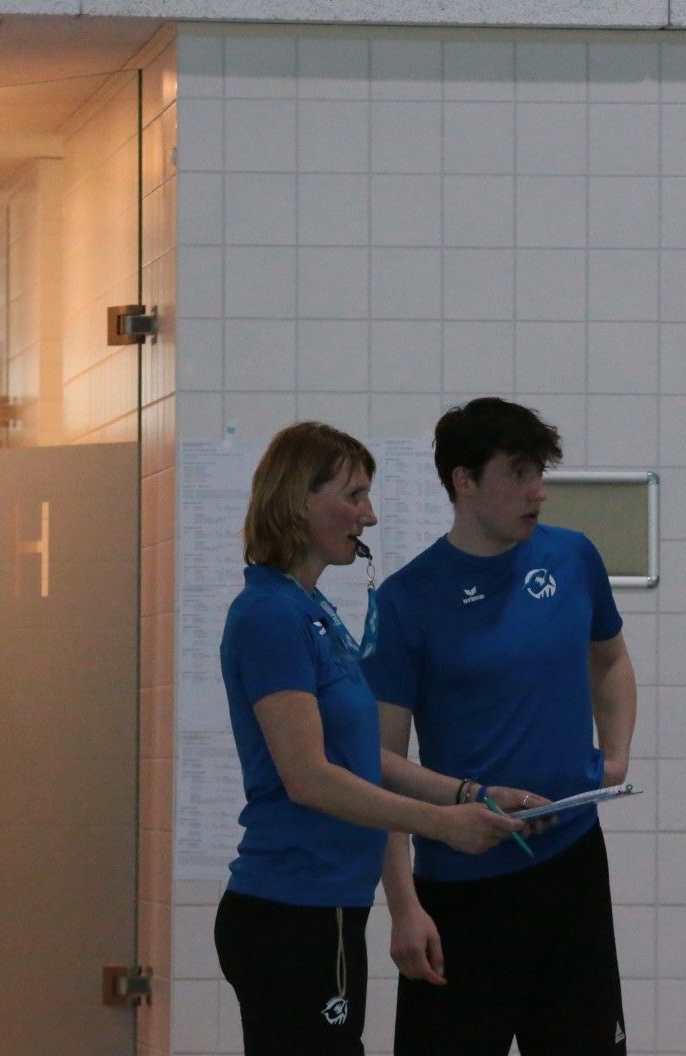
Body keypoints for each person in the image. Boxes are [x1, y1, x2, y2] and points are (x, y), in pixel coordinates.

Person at [214, 421, 539, 1055]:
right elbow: (309, 778)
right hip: (292, 907)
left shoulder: (312, 611)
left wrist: (472, 794)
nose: (370, 515)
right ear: (299, 502)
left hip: (329, 906)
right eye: (355, 496)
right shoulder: (269, 616)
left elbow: (365, 760)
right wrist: (442, 826)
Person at [364, 397, 639, 1055]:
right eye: (517, 473)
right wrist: (403, 906)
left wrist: (615, 758)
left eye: (539, 472)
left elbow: (611, 660)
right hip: (462, 885)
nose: (537, 490)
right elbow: (378, 766)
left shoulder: (573, 558)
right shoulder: (406, 600)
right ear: (464, 480)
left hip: (571, 864)